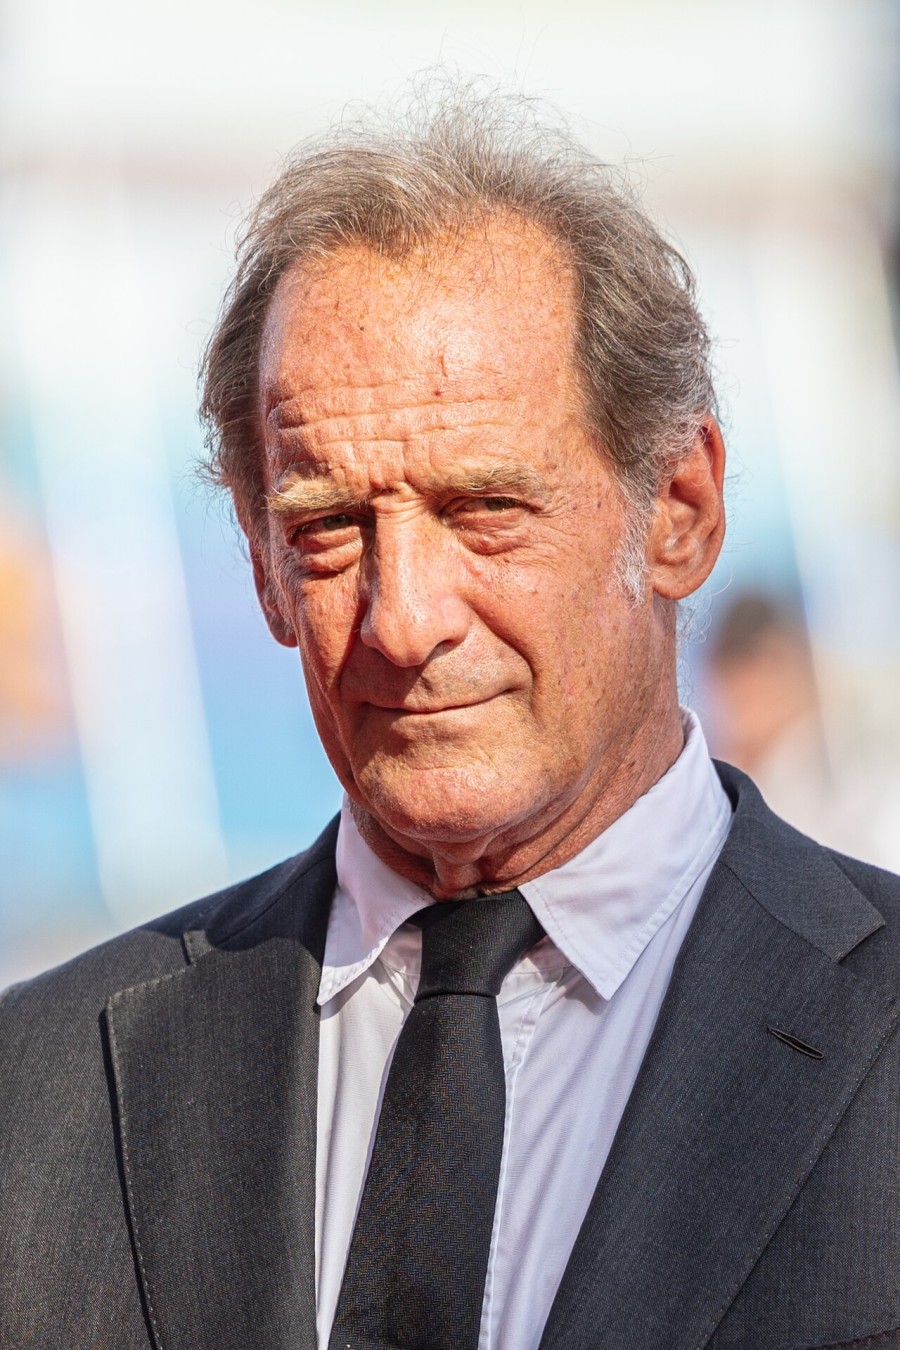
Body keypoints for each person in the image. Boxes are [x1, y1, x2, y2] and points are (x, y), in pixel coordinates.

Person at [2, 92, 898, 1350]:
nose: (404, 618)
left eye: (485, 510)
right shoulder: (37, 1096)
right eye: (328, 527)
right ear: (260, 566)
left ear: (680, 512)